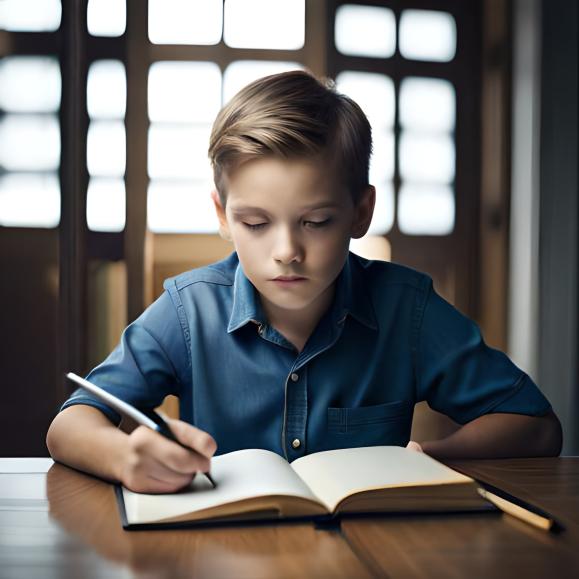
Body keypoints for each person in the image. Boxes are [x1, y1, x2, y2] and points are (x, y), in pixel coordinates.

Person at [46, 69, 562, 494]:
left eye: (316, 222)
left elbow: (537, 426)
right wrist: (124, 456)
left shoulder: (407, 309)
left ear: (361, 212)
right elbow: (69, 425)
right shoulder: (188, 311)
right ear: (222, 215)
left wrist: (430, 457)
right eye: (255, 223)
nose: (287, 250)